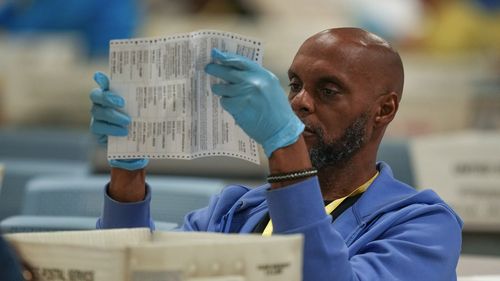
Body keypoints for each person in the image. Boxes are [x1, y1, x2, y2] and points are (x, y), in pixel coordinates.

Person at [90, 27, 463, 280]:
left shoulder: (423, 227)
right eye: (295, 85)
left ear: (384, 110)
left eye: (328, 90)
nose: (299, 102)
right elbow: (137, 272)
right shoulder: (233, 211)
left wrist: (284, 144)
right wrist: (128, 173)